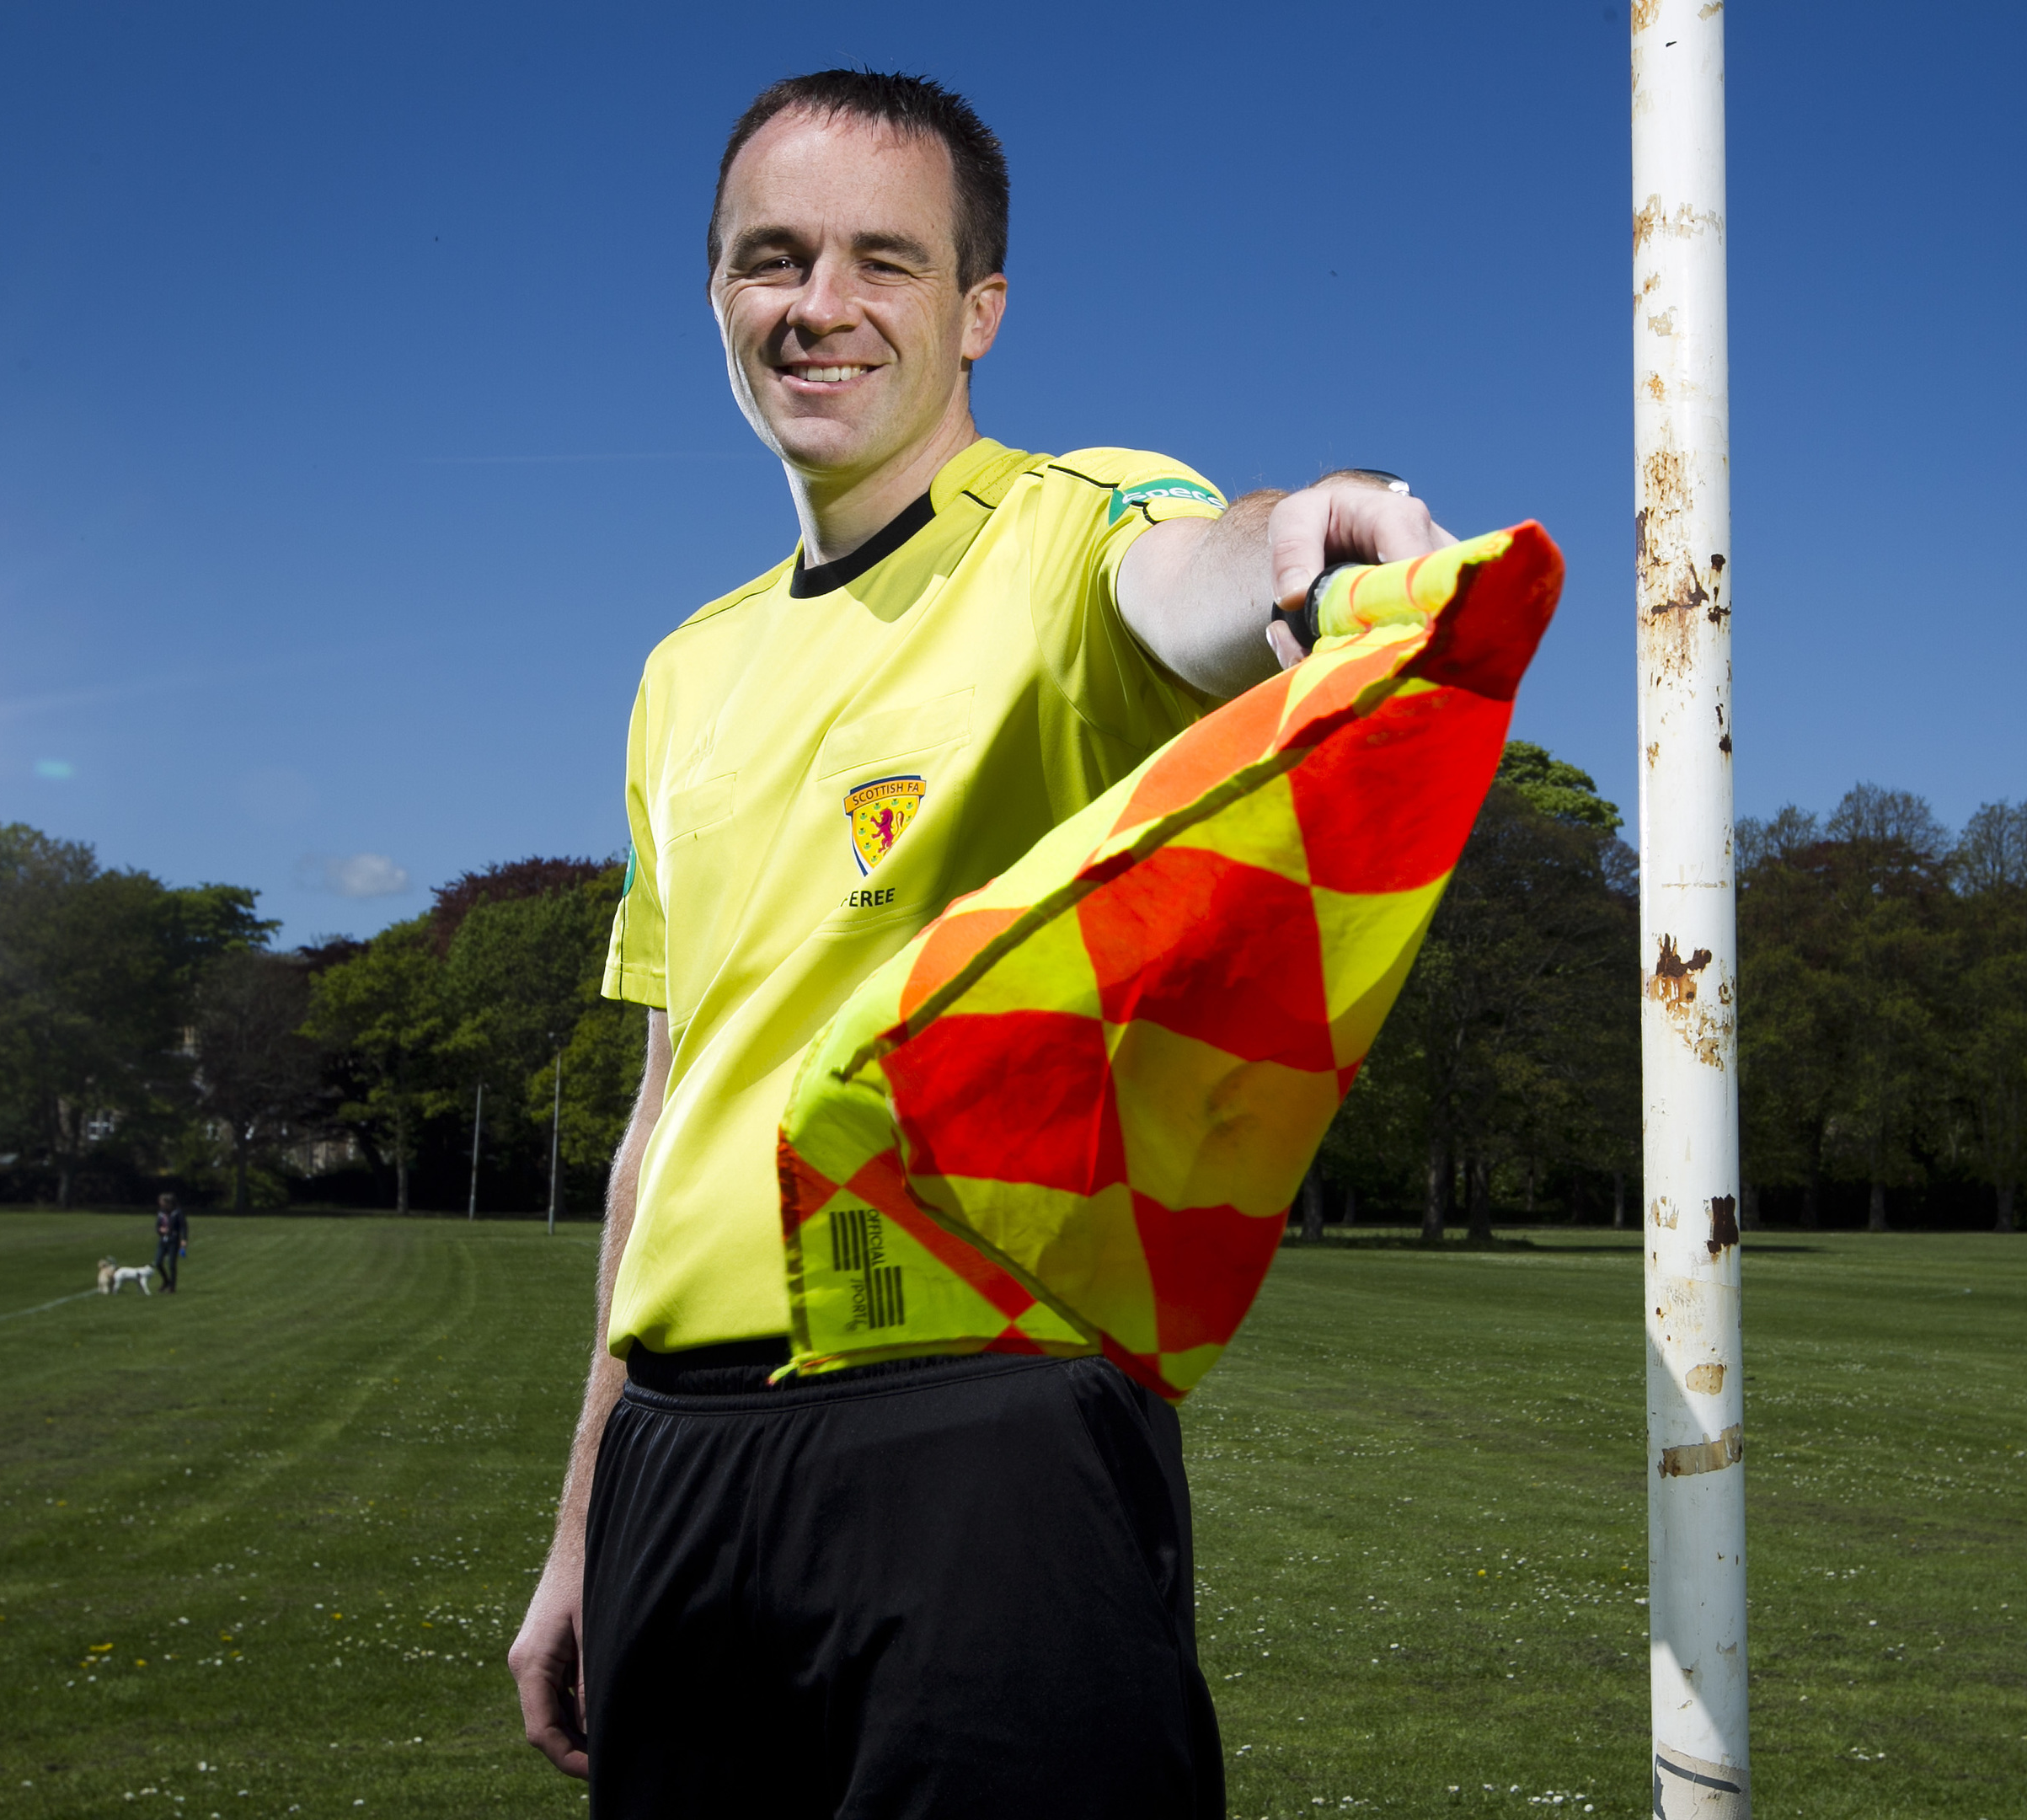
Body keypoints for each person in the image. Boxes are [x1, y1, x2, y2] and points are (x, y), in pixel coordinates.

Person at [507, 70, 1454, 1819]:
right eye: (769, 258)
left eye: (885, 260)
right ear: (713, 292)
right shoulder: (677, 672)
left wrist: (1299, 538)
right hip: (677, 1468)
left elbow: (1189, 572)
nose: (820, 306)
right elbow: (664, 1121)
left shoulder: (1063, 524)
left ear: (977, 310)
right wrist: (583, 1521)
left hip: (979, 1439)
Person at [152, 1192, 185, 1294]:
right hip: (163, 1240)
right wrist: (160, 1230)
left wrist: (184, 1239)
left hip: (173, 1240)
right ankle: (166, 1281)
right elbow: (158, 1225)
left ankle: (172, 1286)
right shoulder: (161, 1212)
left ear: (168, 1203)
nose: (160, 1203)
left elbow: (183, 1226)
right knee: (158, 1262)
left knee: (171, 1264)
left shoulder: (177, 1212)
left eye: (162, 1202)